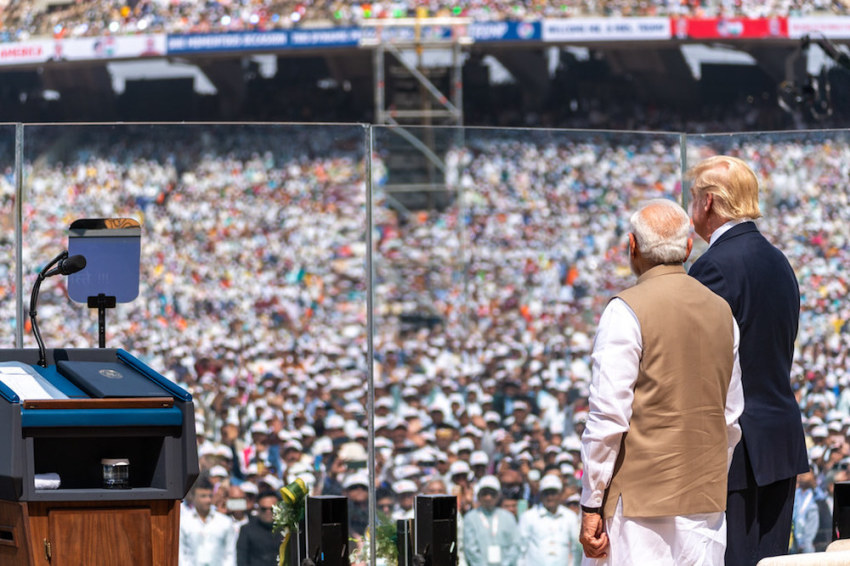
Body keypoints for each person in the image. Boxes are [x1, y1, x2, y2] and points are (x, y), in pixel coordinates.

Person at [579, 199, 744, 565]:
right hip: (705, 504)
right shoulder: (722, 311)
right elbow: (730, 418)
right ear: (688, 248)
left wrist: (592, 501)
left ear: (632, 247)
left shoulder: (624, 310)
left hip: (637, 506)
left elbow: (607, 418)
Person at [688, 155, 808, 566]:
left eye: (692, 197)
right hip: (780, 440)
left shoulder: (712, 268)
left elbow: (701, 367)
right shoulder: (780, 262)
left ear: (708, 203)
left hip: (737, 447)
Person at [518, 474, 581, 566]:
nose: (550, 497)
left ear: (560, 494)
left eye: (553, 493)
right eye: (546, 493)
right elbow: (521, 548)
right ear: (541, 495)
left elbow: (576, 548)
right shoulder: (528, 516)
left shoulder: (570, 517)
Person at [463, 475, 521, 566]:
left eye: (492, 494)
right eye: (484, 494)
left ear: (498, 496)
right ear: (478, 496)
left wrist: (506, 564)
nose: (488, 498)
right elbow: (470, 548)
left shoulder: (508, 517)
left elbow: (515, 545)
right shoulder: (470, 518)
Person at [180, 475, 237, 566]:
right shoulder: (184, 522)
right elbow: (181, 555)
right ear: (193, 497)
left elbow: (229, 555)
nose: (208, 500)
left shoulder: (225, 522)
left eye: (210, 496)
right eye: (203, 496)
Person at [236, 490, 283, 566]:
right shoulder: (247, 530)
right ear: (258, 509)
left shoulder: (287, 530)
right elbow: (242, 560)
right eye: (264, 509)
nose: (268, 512)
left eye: (272, 509)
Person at [790, 470, 819, 554]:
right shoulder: (795, 494)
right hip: (794, 542)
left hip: (811, 543)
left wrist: (814, 484)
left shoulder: (817, 495)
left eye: (806, 473)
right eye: (801, 473)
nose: (802, 476)